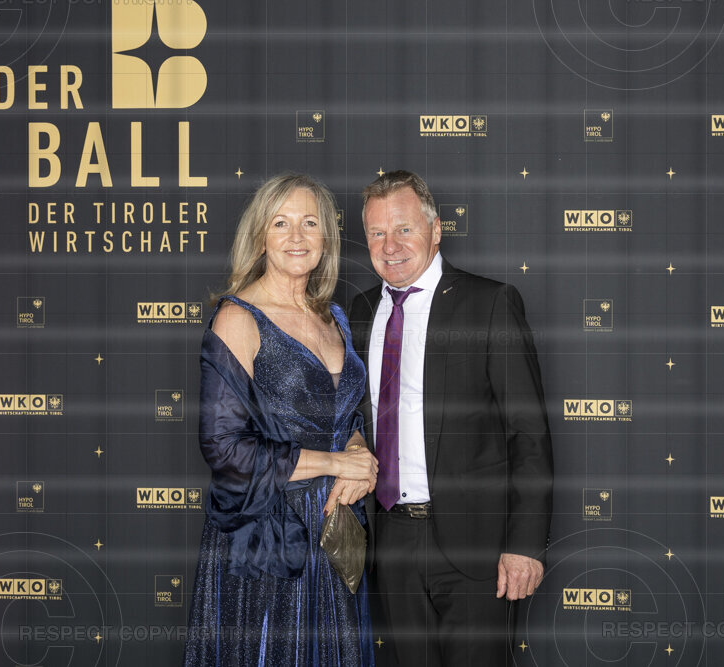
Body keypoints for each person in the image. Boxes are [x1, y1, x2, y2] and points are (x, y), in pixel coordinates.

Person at [347, 170, 554, 666]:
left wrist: (525, 545)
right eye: (377, 232)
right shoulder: (360, 310)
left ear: (436, 229)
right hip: (391, 543)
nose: (390, 246)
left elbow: (528, 434)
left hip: (477, 547)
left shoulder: (489, 304)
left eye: (404, 229)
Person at [184, 173, 377, 666]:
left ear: (326, 237)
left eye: (309, 223)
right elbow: (225, 450)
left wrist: (357, 450)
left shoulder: (333, 316)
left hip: (335, 532)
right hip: (269, 540)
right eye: (281, 223)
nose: (297, 236)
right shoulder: (238, 318)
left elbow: (346, 413)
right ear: (260, 236)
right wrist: (336, 462)